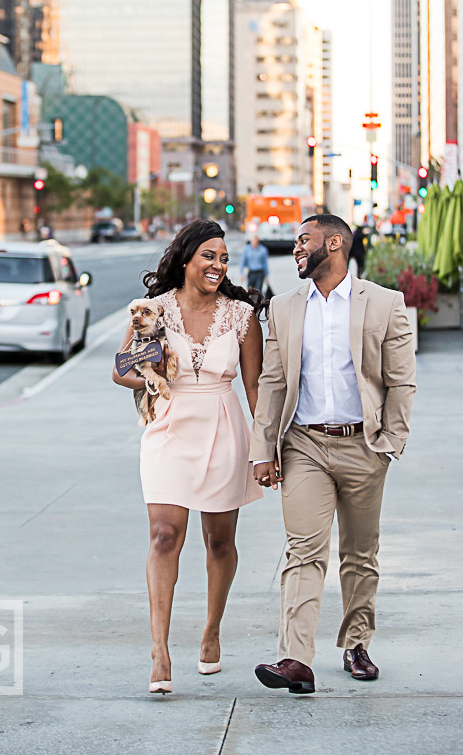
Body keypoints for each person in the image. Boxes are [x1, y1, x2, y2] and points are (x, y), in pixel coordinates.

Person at [250, 213, 416, 694]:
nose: (297, 248)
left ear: (336, 243)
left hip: (364, 445)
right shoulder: (284, 307)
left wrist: (391, 442)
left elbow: (400, 379)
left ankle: (357, 642)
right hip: (304, 444)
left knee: (360, 553)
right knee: (303, 550)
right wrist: (264, 448)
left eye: (305, 240)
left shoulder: (384, 304)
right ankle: (295, 658)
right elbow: (274, 382)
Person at [112, 219, 264, 695]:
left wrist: (265, 449)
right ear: (186, 259)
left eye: (224, 257)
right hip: (169, 428)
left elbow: (254, 386)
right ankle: (159, 650)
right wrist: (152, 379)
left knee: (219, 542)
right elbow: (120, 370)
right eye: (209, 256)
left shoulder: (240, 316)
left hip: (224, 425)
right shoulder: (152, 310)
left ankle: (212, 630)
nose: (219, 265)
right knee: (164, 535)